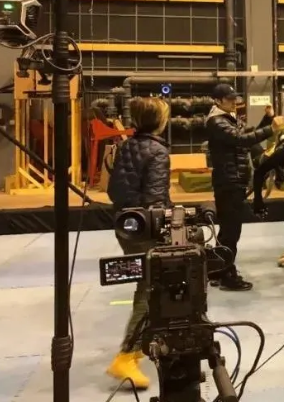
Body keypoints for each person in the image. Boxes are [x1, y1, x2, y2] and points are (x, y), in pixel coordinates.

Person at [105, 96, 172, 390]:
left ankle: (143, 345)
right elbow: (156, 201)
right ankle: (127, 355)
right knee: (150, 289)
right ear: (159, 121)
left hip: (126, 226)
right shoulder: (157, 151)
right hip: (146, 230)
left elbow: (113, 190)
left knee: (147, 286)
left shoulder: (127, 146)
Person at [206, 83, 283, 291]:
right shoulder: (216, 122)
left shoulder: (228, 118)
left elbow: (247, 134)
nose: (234, 102)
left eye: (235, 98)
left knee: (227, 230)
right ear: (218, 101)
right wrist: (271, 129)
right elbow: (240, 139)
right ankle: (227, 275)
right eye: (229, 99)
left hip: (233, 181)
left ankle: (218, 270)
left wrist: (267, 120)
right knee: (231, 231)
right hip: (228, 182)